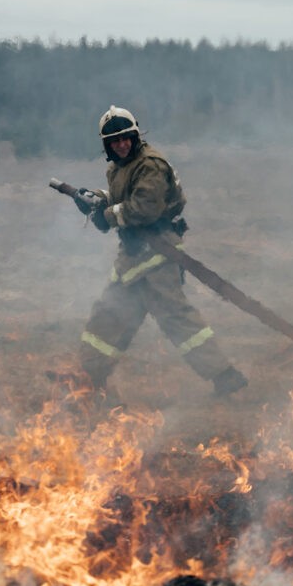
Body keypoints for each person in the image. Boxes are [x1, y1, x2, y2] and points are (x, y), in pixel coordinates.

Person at [72, 105, 248, 397]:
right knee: (107, 316)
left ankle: (225, 376)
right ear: (108, 145)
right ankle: (88, 378)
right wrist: (95, 200)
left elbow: (143, 208)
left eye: (126, 138)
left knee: (176, 318)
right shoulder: (117, 166)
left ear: (135, 136)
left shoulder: (150, 165)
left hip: (157, 251)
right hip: (132, 255)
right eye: (115, 141)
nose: (122, 144)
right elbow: (121, 198)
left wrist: (106, 215)